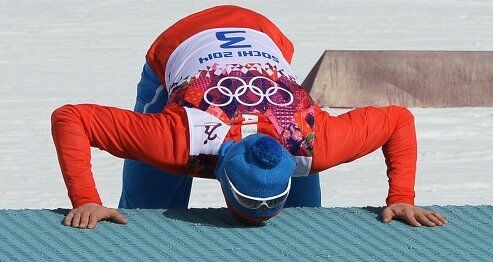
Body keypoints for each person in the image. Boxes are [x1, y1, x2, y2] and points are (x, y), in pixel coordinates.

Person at [51, 5, 447, 229]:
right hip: (183, 40)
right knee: (142, 209)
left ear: (289, 162)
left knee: (303, 226)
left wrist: (402, 198)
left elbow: (398, 121)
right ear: (217, 173)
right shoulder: (177, 137)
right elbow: (71, 118)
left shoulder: (311, 141)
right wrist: (88, 201)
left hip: (265, 38)